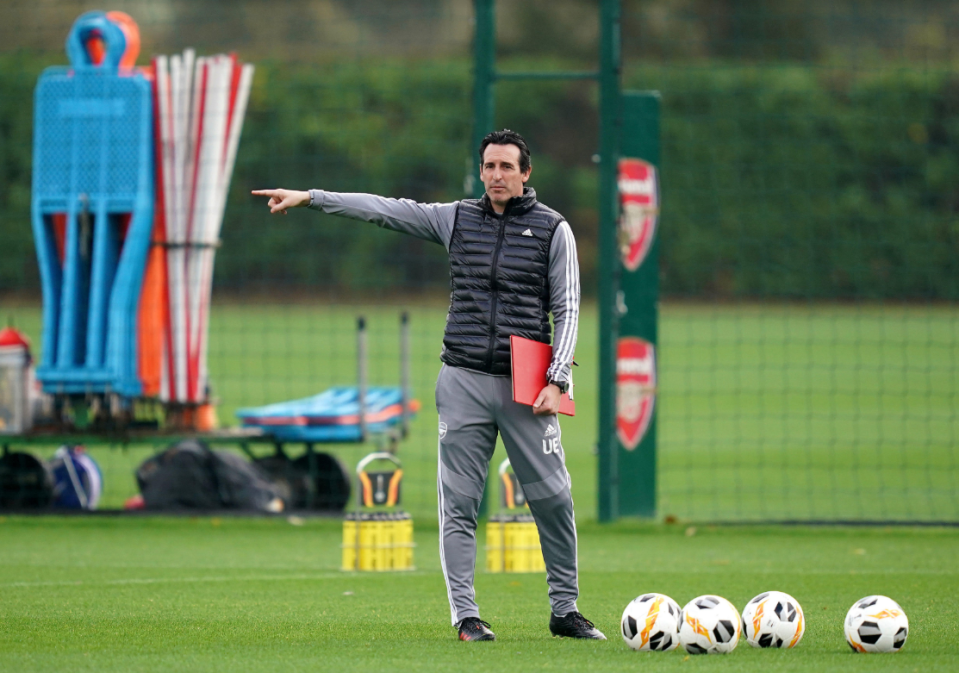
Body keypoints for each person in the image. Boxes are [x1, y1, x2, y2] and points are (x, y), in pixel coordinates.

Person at [252, 129, 604, 642]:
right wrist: (312, 198)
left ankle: (565, 610)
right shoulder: (455, 217)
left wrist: (558, 379)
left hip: (528, 385)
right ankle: (467, 617)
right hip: (460, 380)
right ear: (480, 171)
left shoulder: (554, 230)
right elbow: (384, 209)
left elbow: (567, 306)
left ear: (526, 174)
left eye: (507, 167)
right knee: (458, 504)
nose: (497, 176)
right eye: (489, 166)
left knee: (553, 498)